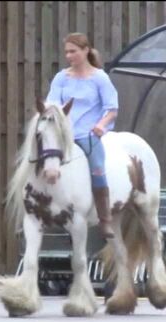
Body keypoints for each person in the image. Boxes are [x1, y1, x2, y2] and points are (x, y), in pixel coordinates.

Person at [46, 32, 118, 238]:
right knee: (42, 160)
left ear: (86, 50)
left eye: (73, 51)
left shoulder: (100, 78)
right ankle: (40, 209)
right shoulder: (61, 77)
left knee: (97, 170)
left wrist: (101, 126)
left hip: (87, 135)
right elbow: (52, 104)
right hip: (63, 135)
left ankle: (105, 220)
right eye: (67, 52)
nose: (69, 56)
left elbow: (112, 108)